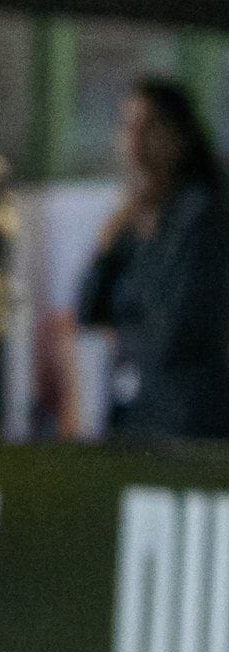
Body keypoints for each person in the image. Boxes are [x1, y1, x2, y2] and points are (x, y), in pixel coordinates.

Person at [76, 77, 229, 440]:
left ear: (179, 135)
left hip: (187, 413)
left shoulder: (204, 212)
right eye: (127, 126)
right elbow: (90, 310)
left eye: (148, 126)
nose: (135, 140)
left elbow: (182, 321)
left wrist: (127, 336)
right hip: (134, 407)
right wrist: (112, 240)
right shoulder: (132, 217)